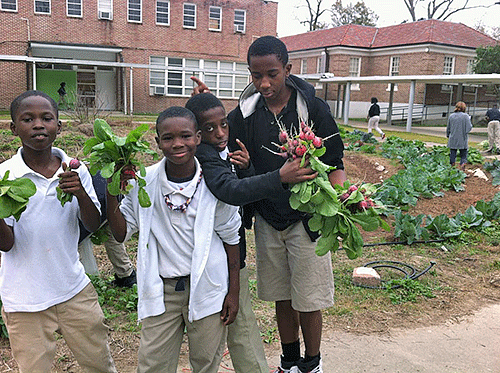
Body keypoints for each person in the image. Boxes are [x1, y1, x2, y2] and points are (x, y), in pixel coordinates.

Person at [193, 35, 346, 373]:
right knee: (282, 295)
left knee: (309, 297)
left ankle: (312, 364)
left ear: (287, 70)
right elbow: (219, 137)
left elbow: (335, 162)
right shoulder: (245, 115)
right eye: (255, 75)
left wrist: (338, 204)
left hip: (308, 220)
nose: (264, 83)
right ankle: (289, 360)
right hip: (267, 218)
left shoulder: (313, 110)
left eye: (272, 74)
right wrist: (203, 107)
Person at [186, 92, 318, 373]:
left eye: (224, 124)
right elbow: (229, 190)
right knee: (226, 329)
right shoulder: (205, 157)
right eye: (210, 129)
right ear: (196, 134)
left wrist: (245, 169)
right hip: (213, 261)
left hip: (230, 259)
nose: (221, 133)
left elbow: (241, 190)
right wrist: (279, 177)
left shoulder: (224, 151)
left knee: (241, 325)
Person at [105, 106, 242, 373]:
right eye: (168, 138)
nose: (178, 144)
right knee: (152, 363)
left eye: (186, 136)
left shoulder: (213, 183)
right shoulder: (144, 181)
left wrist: (233, 292)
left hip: (207, 286)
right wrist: (113, 191)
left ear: (198, 138)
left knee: (206, 362)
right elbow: (121, 233)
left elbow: (231, 237)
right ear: (157, 143)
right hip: (163, 290)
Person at [0, 90, 116, 372]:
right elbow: (6, 244)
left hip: (74, 290)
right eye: (28, 119)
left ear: (59, 126)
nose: (38, 125)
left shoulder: (75, 170)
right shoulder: (6, 176)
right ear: (14, 128)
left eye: (46, 118)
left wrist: (81, 194)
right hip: (24, 302)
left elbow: (90, 225)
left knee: (100, 363)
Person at [78, 172, 137, 287]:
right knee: (110, 231)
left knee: (76, 240)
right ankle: (127, 275)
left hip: (102, 198)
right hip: (112, 191)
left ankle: (84, 281)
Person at [447, 101, 472, 171]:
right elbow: (469, 128)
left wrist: (448, 135)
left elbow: (448, 127)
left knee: (453, 153)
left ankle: (452, 166)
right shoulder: (466, 116)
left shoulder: (451, 116)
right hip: (462, 138)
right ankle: (462, 165)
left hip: (453, 138)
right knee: (463, 154)